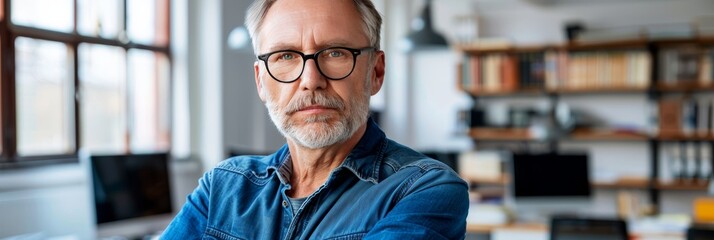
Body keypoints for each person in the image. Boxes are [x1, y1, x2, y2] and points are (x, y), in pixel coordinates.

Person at [161, 0, 469, 239]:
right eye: (285, 56)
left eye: (335, 53)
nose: (311, 80)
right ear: (260, 81)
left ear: (375, 72)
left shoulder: (425, 189)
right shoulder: (223, 187)